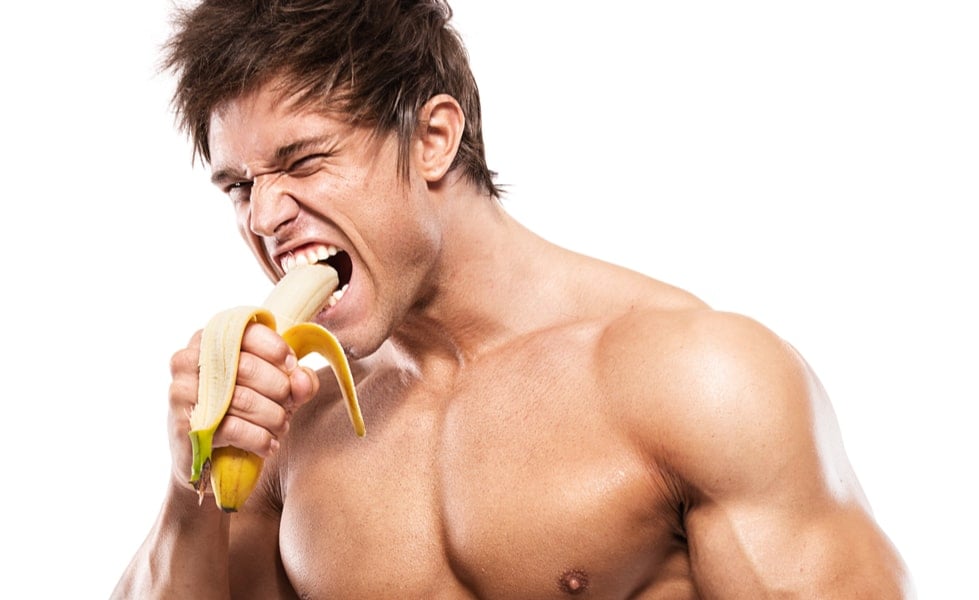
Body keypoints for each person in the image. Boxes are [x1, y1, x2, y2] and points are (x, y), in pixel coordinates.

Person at [114, 0, 913, 597]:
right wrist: (190, 488)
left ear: (432, 138)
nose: (263, 216)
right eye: (239, 186)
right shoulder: (288, 429)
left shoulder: (695, 375)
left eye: (304, 161)